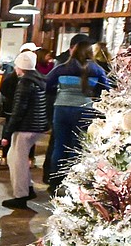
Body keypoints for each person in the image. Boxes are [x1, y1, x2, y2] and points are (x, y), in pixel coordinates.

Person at [45, 35, 109, 194]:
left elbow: (46, 84)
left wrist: (61, 92)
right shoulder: (97, 69)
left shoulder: (61, 68)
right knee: (77, 146)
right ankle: (73, 183)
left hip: (61, 109)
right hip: (85, 110)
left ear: (72, 50)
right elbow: (107, 90)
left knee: (59, 145)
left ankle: (55, 183)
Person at [0, 50, 48, 209]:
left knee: (16, 161)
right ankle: (28, 188)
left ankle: (21, 195)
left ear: (21, 67)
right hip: (38, 125)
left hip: (25, 127)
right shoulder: (39, 79)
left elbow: (19, 110)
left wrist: (7, 133)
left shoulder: (25, 82)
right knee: (18, 158)